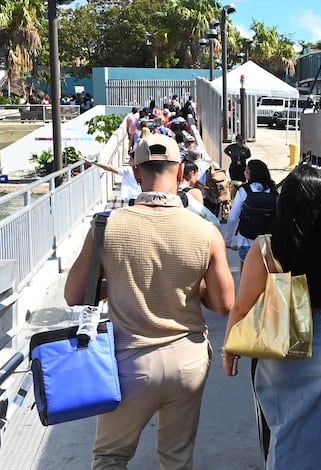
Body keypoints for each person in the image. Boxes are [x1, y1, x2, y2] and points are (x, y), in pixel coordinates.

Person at [65, 134, 235, 470]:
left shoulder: (106, 226)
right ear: (181, 171)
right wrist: (191, 286)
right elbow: (223, 303)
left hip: (130, 364)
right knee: (176, 459)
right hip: (188, 361)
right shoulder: (205, 232)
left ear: (135, 172)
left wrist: (117, 284)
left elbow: (73, 294)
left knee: (111, 457)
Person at [224, 164, 321, 469]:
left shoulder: (266, 249)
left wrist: (230, 350)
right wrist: (314, 292)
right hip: (320, 338)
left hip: (275, 342)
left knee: (280, 427)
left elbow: (242, 307)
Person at [224, 159, 276, 264]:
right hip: (269, 243)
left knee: (246, 272)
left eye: (247, 171)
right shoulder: (273, 191)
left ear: (252, 174)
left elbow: (233, 217)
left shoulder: (244, 190)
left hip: (246, 241)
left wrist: (227, 240)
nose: (245, 173)